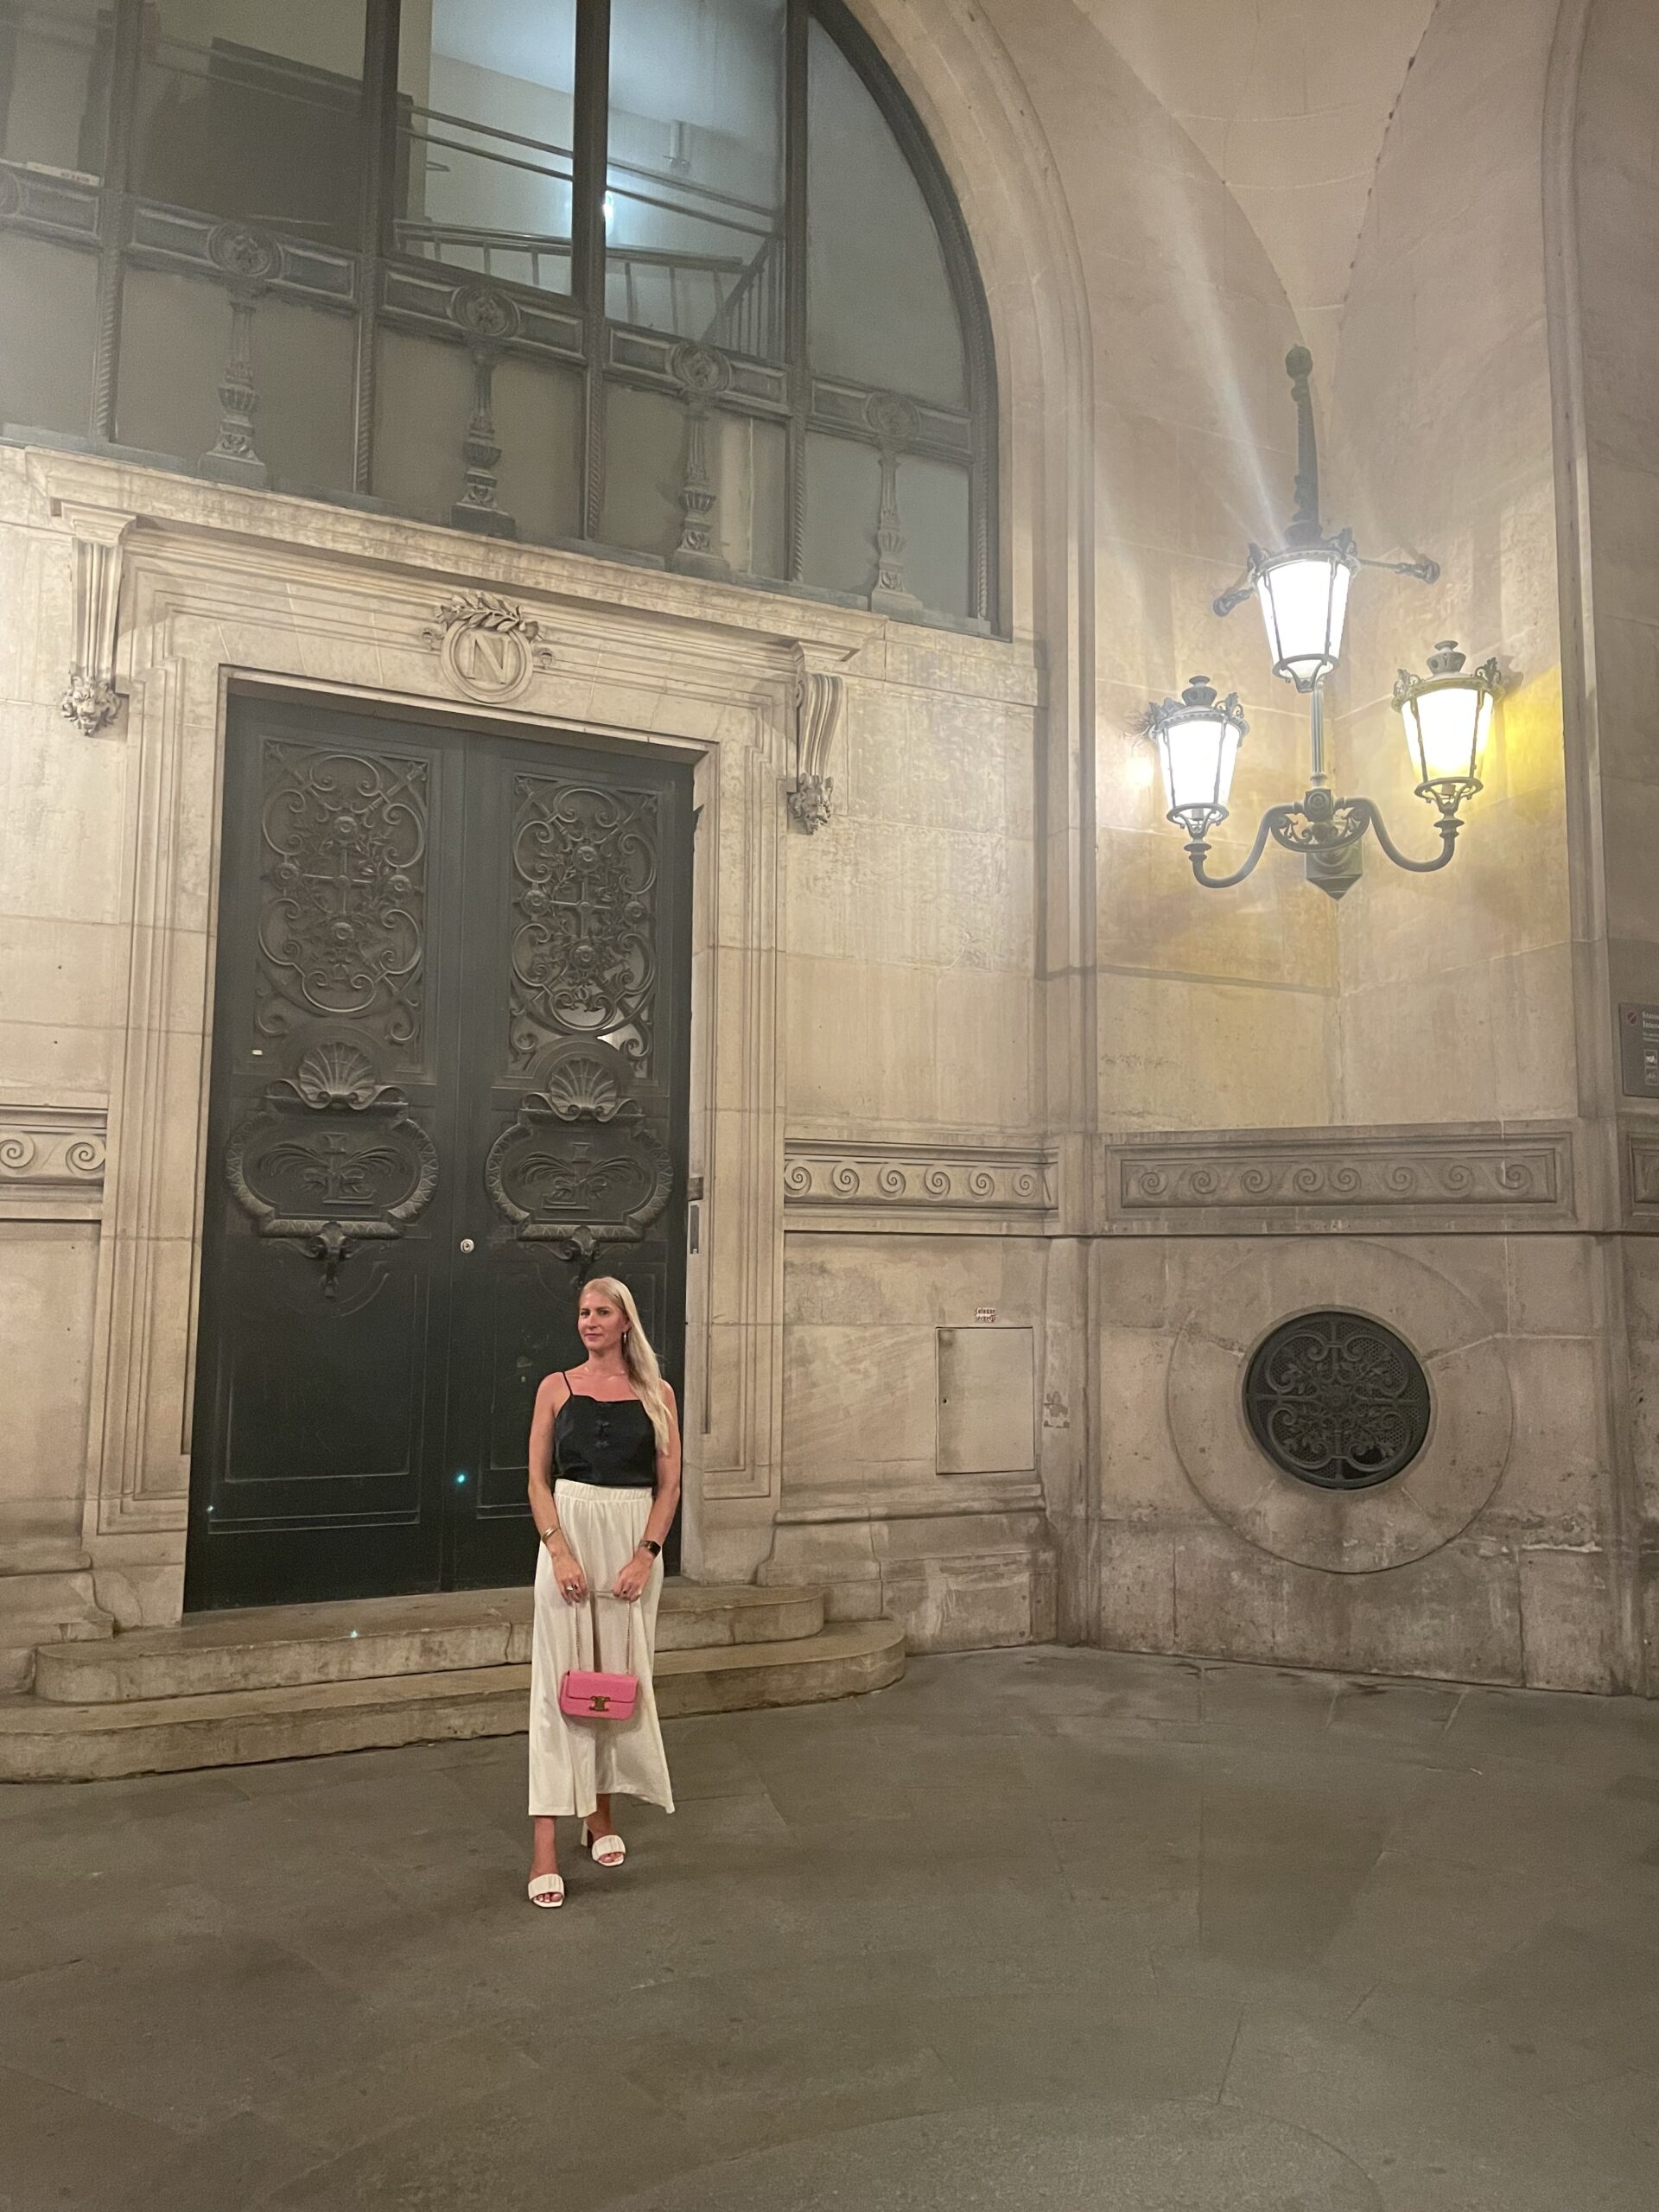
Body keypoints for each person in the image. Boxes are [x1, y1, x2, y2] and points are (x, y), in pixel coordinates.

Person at [524, 1275, 680, 1908]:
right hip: (568, 1530)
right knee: (556, 1687)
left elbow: (669, 1485)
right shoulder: (555, 1388)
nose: (589, 1321)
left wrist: (646, 1555)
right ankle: (543, 1848)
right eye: (583, 1312)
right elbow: (536, 1479)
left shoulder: (656, 1393)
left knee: (615, 1680)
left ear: (625, 1323)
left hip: (631, 1537)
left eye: (601, 1312)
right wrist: (558, 1549)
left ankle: (601, 1818)